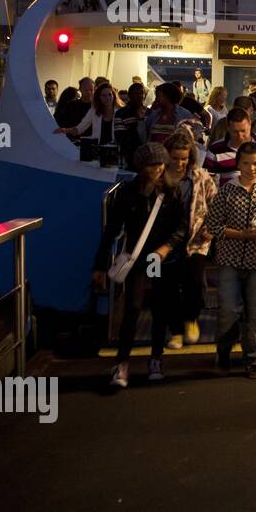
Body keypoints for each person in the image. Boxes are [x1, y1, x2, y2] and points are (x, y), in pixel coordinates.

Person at [91, 142, 186, 388]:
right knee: (133, 307)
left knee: (159, 308)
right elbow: (111, 229)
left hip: (162, 258)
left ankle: (155, 358)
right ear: (141, 166)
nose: (157, 169)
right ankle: (122, 362)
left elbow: (182, 226)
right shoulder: (128, 193)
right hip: (137, 257)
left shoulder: (171, 192)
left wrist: (167, 247)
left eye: (160, 164)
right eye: (152, 164)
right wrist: (100, 266)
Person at [204, 141, 256, 378]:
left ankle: (254, 359)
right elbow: (213, 226)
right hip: (229, 260)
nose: (252, 168)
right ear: (238, 164)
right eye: (247, 163)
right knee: (228, 310)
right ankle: (224, 351)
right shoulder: (226, 192)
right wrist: (243, 235)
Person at [162, 129, 217, 350]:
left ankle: (191, 319)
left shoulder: (200, 177)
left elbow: (216, 202)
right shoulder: (160, 177)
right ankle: (175, 331)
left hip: (196, 240)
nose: (179, 163)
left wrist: (211, 228)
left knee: (194, 283)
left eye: (184, 159)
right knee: (170, 287)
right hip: (166, 242)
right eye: (175, 158)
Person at [113, 83, 148, 166]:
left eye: (142, 93)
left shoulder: (149, 112)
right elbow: (120, 137)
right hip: (129, 157)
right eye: (136, 93)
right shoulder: (121, 113)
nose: (140, 96)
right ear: (129, 95)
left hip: (147, 156)